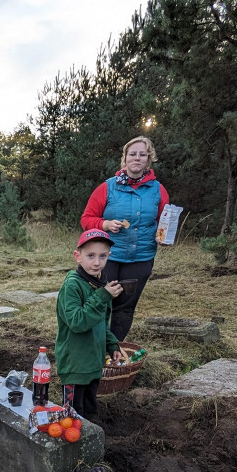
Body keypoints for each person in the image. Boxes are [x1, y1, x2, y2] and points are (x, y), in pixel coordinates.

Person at [80, 135, 170, 343]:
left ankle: (113, 350)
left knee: (125, 307)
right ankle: (94, 349)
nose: (137, 158)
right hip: (106, 258)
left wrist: (163, 236)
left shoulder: (158, 190)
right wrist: (105, 225)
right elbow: (86, 219)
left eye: (142, 154)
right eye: (132, 154)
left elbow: (164, 221)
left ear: (149, 159)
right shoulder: (108, 187)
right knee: (100, 303)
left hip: (141, 258)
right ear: (125, 159)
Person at [55, 229, 125, 418]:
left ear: (109, 256)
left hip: (93, 363)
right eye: (90, 255)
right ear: (78, 256)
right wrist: (102, 297)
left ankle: (92, 442)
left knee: (90, 410)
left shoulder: (101, 283)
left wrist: (111, 343)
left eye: (103, 256)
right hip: (75, 365)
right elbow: (77, 322)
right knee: (73, 416)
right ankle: (74, 446)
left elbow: (102, 320)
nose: (97, 262)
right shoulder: (72, 285)